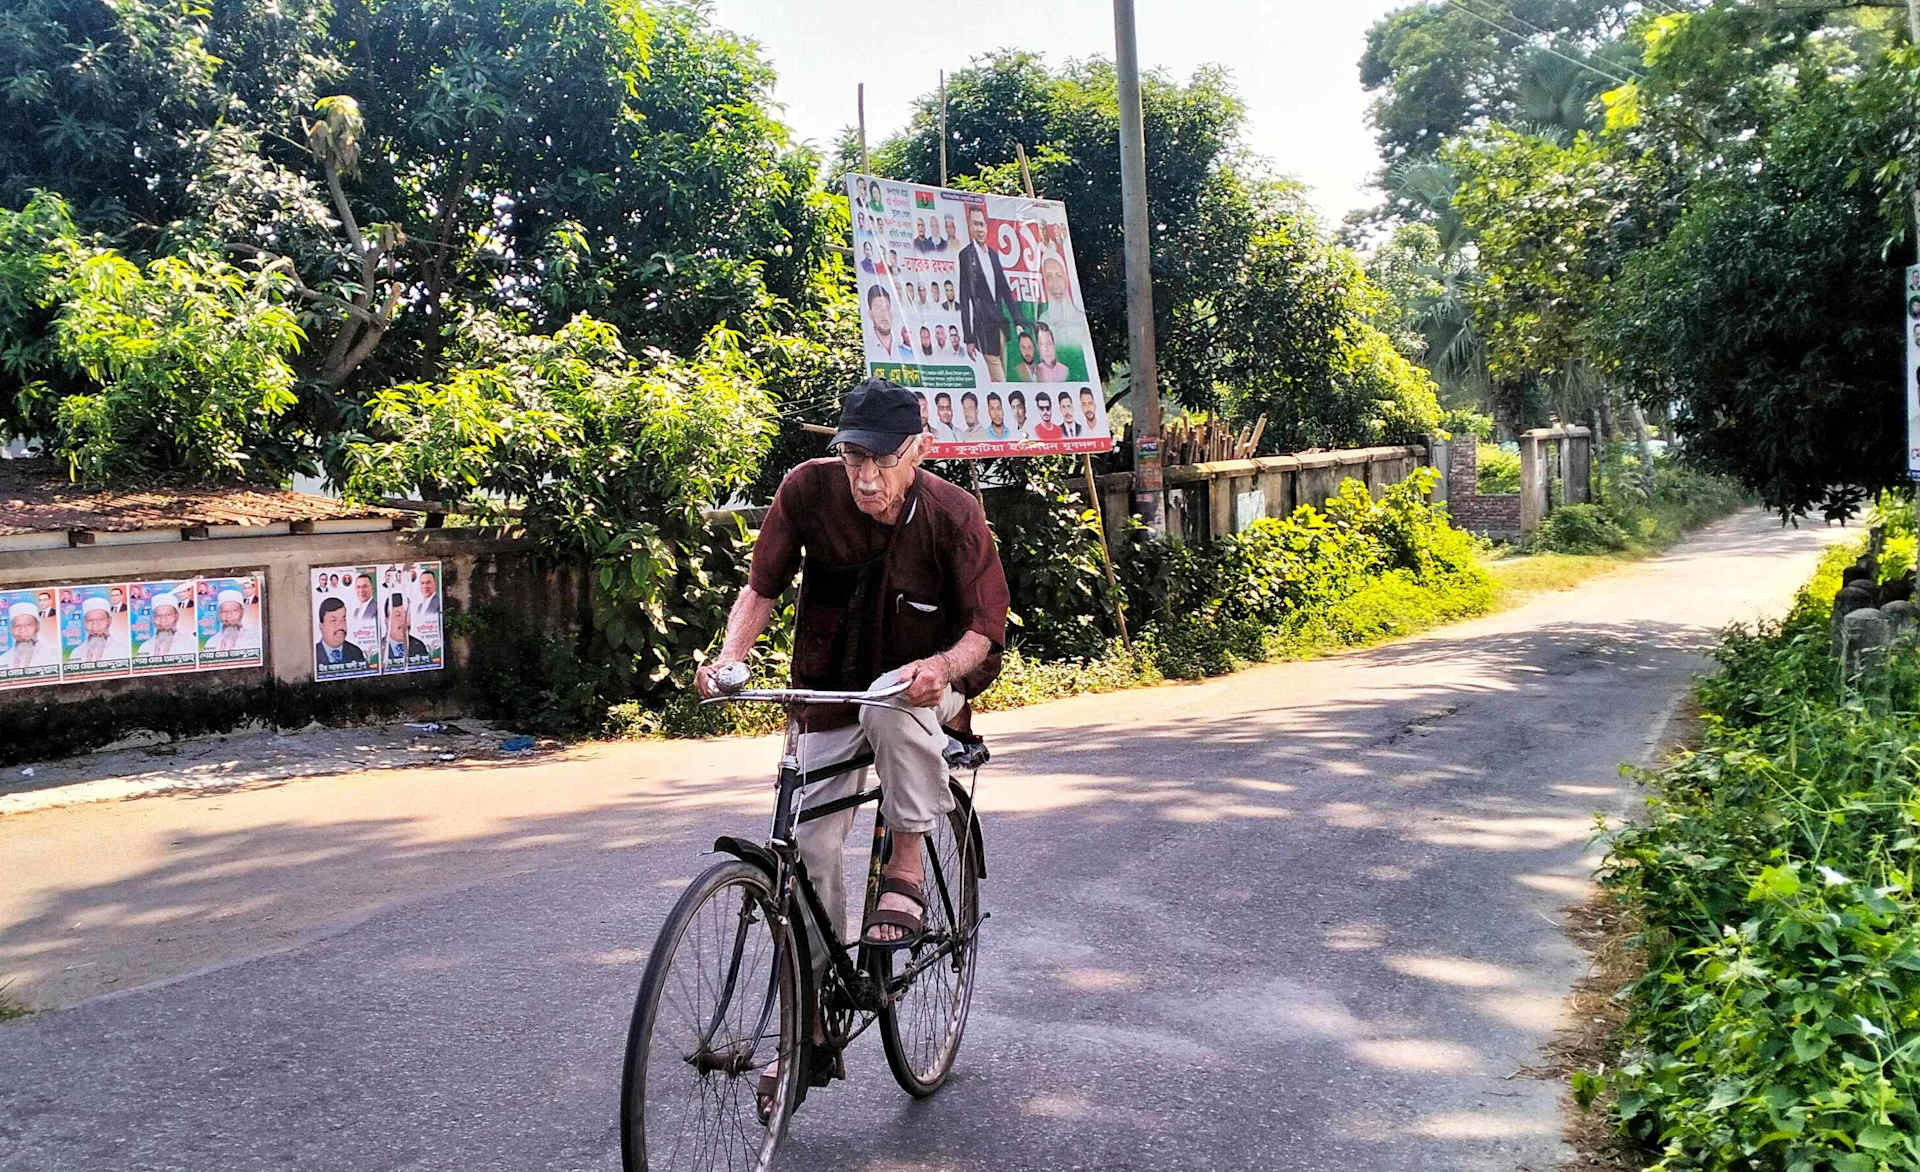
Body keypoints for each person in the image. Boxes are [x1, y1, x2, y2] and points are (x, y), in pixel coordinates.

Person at [695, 381, 1008, 1050]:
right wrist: (728, 660)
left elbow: (985, 629)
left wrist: (942, 670)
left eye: (881, 460)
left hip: (929, 685)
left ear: (918, 451)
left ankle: (907, 864)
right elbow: (760, 589)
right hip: (828, 689)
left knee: (893, 699)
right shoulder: (808, 491)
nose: (865, 478)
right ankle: (815, 1007)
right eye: (852, 459)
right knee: (808, 848)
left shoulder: (954, 516)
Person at [956, 202, 1017, 381]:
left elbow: (1005, 290)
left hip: (1000, 326)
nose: (980, 229)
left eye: (982, 224)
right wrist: (968, 338)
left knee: (1004, 376)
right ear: (969, 227)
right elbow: (964, 297)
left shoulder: (993, 255)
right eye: (975, 224)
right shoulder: (966, 256)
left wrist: (1018, 319)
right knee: (999, 380)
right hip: (982, 327)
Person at [314, 596, 367, 670]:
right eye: (333, 620)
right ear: (321, 626)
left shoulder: (356, 652)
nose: (340, 625)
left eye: (343, 619)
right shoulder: (313, 654)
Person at [865, 285, 912, 363]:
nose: (884, 313)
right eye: (878, 308)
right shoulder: (868, 347)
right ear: (870, 314)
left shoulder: (902, 344)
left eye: (886, 307)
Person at [6, 601, 59, 672]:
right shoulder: (4, 659)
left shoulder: (54, 655)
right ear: (11, 630)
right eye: (17, 626)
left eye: (28, 625)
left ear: (37, 627)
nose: (23, 630)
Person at [137, 592, 192, 659]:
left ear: (176, 616)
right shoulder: (144, 647)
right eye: (158, 615)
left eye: (168, 615)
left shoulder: (190, 642)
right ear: (153, 618)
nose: (163, 621)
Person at [383, 595, 429, 664]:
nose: (404, 621)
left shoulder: (419, 645)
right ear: (387, 621)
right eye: (398, 615)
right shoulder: (378, 649)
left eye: (407, 615)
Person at [74, 595, 117, 663]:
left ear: (109, 621)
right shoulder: (75, 653)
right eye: (90, 621)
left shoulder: (123, 650)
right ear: (84, 623)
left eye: (100, 619)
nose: (95, 626)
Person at [206, 589, 251, 654]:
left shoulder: (253, 639)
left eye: (234, 611)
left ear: (242, 612)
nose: (229, 616)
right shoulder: (211, 642)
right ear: (219, 614)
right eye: (224, 611)